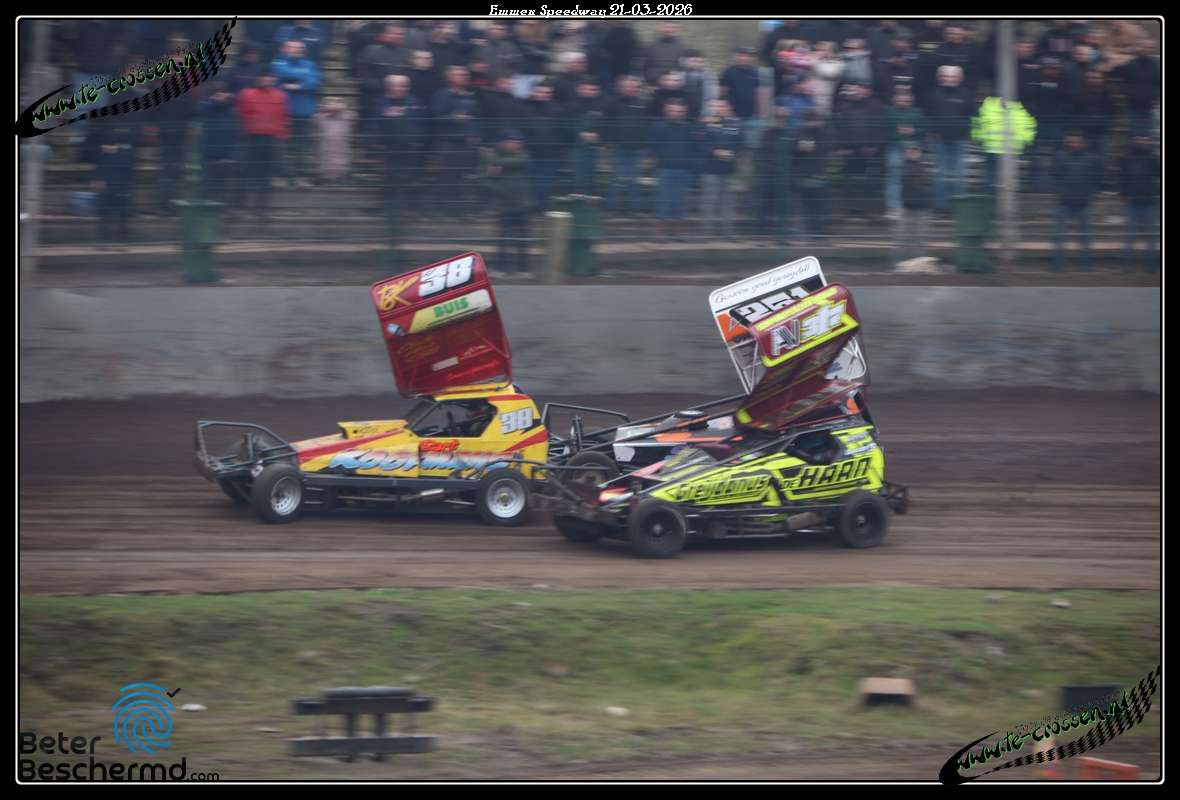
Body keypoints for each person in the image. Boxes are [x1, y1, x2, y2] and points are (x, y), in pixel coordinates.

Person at [236, 70, 290, 219]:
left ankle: (262, 208)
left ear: (273, 79)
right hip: (251, 139)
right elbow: (241, 115)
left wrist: (281, 137)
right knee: (245, 173)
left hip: (271, 140)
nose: (266, 79)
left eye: (268, 77)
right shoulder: (247, 94)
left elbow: (284, 117)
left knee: (266, 176)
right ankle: (239, 206)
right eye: (263, 76)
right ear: (258, 78)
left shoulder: (281, 96)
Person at [270, 40, 321, 187]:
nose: (295, 50)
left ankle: (299, 177)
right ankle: (283, 176)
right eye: (292, 47)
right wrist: (303, 77)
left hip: (304, 112)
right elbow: (282, 73)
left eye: (299, 48)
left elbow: (315, 82)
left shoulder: (310, 64)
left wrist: (297, 86)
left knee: (302, 147)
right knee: (281, 146)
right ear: (286, 49)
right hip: (283, 112)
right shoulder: (278, 62)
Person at [484, 132, 533, 274]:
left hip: (522, 204)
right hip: (505, 205)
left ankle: (523, 268)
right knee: (503, 238)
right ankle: (502, 267)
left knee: (522, 238)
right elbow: (486, 179)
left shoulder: (523, 155)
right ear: (504, 143)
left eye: (518, 142)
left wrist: (494, 162)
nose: (516, 145)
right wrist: (500, 189)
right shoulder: (497, 156)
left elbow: (519, 162)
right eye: (513, 142)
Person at [925, 65, 972, 213]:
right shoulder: (934, 94)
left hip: (960, 140)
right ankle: (940, 205)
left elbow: (969, 116)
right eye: (946, 76)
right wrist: (933, 132)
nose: (949, 79)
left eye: (953, 76)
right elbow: (929, 115)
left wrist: (966, 134)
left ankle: (961, 207)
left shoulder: (966, 94)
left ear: (960, 78)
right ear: (940, 78)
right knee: (940, 173)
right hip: (939, 140)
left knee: (960, 173)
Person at [1052, 131, 1099, 271]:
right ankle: (1058, 265)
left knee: (1084, 237)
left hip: (1083, 203)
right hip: (1065, 202)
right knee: (1060, 236)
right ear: (1067, 143)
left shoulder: (1090, 158)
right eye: (1071, 142)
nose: (1074, 144)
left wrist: (1089, 196)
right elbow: (1056, 176)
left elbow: (1094, 180)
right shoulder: (1060, 156)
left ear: (1083, 143)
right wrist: (1061, 193)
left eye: (1077, 142)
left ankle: (1086, 265)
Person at [970, 94, 1036, 195]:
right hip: (1005, 150)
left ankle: (991, 196)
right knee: (1003, 178)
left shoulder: (988, 105)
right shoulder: (1017, 107)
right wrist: (1025, 140)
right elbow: (1029, 124)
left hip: (994, 149)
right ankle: (1000, 195)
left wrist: (978, 137)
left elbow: (978, 122)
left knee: (991, 177)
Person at [649, 98, 697, 236]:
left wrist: (688, 162)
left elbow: (694, 147)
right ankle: (661, 231)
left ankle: (679, 230)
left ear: (684, 112)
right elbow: (653, 146)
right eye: (673, 111)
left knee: (681, 200)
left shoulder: (689, 128)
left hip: (683, 169)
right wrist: (662, 158)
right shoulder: (658, 126)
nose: (675, 114)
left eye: (679, 111)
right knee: (663, 199)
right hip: (664, 169)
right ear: (666, 111)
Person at [604, 74, 648, 215]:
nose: (629, 89)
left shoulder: (643, 104)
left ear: (637, 88)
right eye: (626, 86)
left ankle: (634, 210)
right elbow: (606, 125)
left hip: (637, 149)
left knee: (634, 181)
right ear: (620, 88)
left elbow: (646, 126)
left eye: (632, 86)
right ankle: (612, 209)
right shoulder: (612, 103)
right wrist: (609, 142)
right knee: (617, 180)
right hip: (619, 148)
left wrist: (644, 144)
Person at [699, 99, 743, 236]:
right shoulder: (707, 122)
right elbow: (701, 143)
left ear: (729, 107)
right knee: (709, 201)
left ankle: (727, 231)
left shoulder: (736, 123)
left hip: (729, 169)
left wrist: (734, 153)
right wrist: (715, 151)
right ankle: (706, 231)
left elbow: (741, 142)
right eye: (716, 106)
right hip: (710, 168)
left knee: (728, 202)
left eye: (722, 106)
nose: (719, 109)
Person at [1119, 135, 1159, 272]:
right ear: (1133, 141)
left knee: (1150, 236)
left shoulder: (1152, 158)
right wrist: (1123, 194)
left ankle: (1151, 265)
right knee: (1129, 235)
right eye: (1139, 140)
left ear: (1148, 142)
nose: (1141, 142)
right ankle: (1127, 266)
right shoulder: (1126, 158)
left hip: (1148, 202)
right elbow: (1122, 178)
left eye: (1144, 140)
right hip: (1132, 202)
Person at [884, 86, 925, 219]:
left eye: (906, 101)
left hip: (913, 148)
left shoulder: (917, 112)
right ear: (894, 99)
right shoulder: (889, 112)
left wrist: (914, 131)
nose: (903, 103)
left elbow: (923, 129)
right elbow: (884, 129)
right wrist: (897, 133)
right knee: (894, 177)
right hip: (895, 147)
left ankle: (912, 207)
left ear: (911, 100)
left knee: (913, 179)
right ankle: (894, 207)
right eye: (900, 100)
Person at [896, 142, 933, 266]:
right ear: (905, 153)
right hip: (909, 205)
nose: (913, 153)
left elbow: (926, 185)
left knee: (921, 235)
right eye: (910, 151)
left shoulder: (922, 166)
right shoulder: (905, 166)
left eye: (916, 151)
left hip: (922, 205)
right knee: (905, 234)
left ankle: (919, 260)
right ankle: (902, 260)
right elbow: (907, 180)